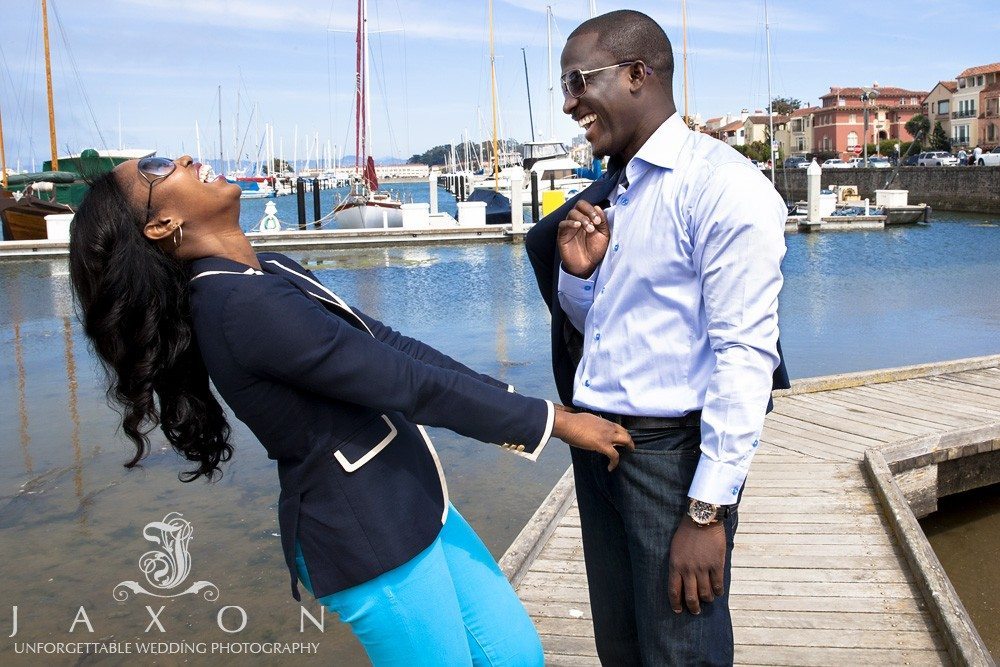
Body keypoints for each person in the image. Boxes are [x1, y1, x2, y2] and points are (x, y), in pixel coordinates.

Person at [68, 155, 634, 666]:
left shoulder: (264, 269)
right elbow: (408, 385)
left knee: (514, 654)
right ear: (162, 225)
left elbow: (388, 346)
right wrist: (555, 422)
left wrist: (523, 403)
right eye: (158, 168)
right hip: (367, 536)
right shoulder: (237, 305)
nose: (184, 159)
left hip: (411, 499)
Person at [525, 10, 789, 665]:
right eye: (564, 87)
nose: (568, 104)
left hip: (670, 459)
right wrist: (579, 278)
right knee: (622, 645)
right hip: (600, 448)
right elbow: (612, 333)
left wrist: (707, 513)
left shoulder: (721, 186)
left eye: (579, 81)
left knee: (681, 647)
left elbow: (744, 356)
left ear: (638, 74)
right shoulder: (619, 192)